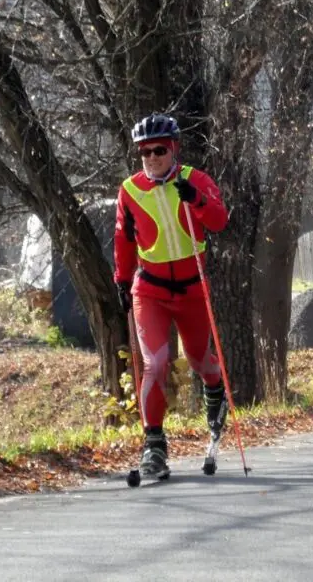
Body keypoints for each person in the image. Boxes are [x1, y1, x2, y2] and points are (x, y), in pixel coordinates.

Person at [113, 114, 229, 478]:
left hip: (192, 287)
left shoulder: (196, 180)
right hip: (150, 288)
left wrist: (195, 199)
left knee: (199, 360)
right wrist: (121, 279)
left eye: (159, 150)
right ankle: (154, 445)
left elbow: (219, 220)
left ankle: (216, 392)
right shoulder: (130, 191)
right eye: (145, 151)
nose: (151, 157)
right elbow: (123, 239)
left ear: (174, 148)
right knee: (157, 362)